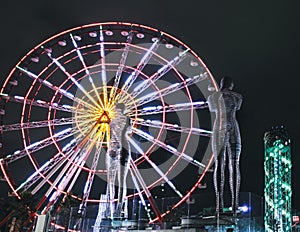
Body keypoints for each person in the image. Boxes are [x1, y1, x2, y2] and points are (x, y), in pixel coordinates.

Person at [207, 76, 242, 213]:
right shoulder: (237, 97)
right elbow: (237, 108)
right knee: (235, 165)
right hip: (234, 128)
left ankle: (219, 204)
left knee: (219, 165)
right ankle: (235, 204)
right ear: (231, 85)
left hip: (218, 128)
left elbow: (212, 109)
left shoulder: (212, 97)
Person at [105, 103, 131, 218]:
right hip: (123, 148)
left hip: (112, 149)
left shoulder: (111, 122)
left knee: (110, 181)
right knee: (121, 181)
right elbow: (128, 131)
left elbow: (109, 137)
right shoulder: (127, 119)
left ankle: (109, 208)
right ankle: (119, 208)